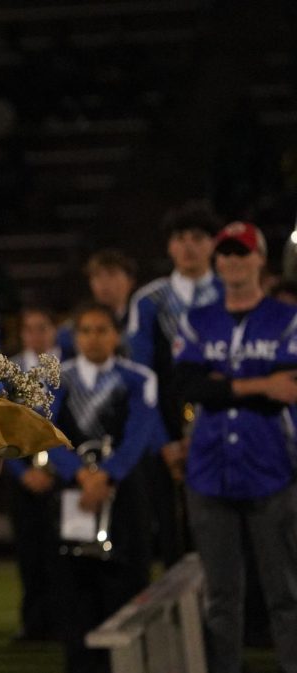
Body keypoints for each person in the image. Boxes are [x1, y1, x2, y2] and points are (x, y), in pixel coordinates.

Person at [173, 221, 297, 673]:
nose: (232, 261)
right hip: (210, 470)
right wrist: (259, 384)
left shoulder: (287, 318)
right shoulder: (198, 318)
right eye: (225, 253)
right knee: (222, 596)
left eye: (241, 253)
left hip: (272, 468)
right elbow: (189, 386)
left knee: (285, 592)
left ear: (260, 259)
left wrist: (224, 382)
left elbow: (291, 387)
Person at [46, 303, 162, 673]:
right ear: (74, 337)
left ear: (116, 335)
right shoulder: (56, 380)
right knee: (74, 588)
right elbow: (47, 436)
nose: (93, 339)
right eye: (85, 331)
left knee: (125, 585)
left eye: (101, 330)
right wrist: (81, 476)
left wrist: (106, 475)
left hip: (123, 494)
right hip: (73, 494)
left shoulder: (138, 378)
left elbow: (139, 435)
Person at [126, 200, 222, 565]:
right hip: (166, 434)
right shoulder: (150, 301)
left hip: (220, 429)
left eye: (198, 237)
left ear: (213, 244)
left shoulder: (230, 295)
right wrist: (163, 442)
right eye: (180, 238)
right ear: (169, 246)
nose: (188, 246)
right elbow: (143, 380)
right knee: (173, 535)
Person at [4, 306, 61, 642]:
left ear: (54, 330)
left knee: (59, 552)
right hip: (22, 475)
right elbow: (0, 430)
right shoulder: (9, 371)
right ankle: (33, 622)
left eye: (43, 327)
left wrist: (55, 470)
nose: (36, 335)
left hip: (60, 476)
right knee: (28, 552)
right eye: (30, 329)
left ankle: (62, 619)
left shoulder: (67, 370)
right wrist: (21, 472)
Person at [57, 249, 137, 360]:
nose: (104, 282)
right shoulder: (73, 327)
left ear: (130, 282)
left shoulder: (143, 321)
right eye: (97, 276)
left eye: (111, 274)